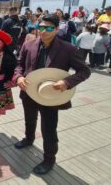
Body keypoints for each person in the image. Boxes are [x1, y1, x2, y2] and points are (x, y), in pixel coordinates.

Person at [13, 14, 90, 175]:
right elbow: (19, 64)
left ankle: (49, 159)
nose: (44, 31)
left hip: (51, 95)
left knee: (48, 128)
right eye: (41, 27)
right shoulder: (29, 45)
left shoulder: (67, 49)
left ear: (56, 29)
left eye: (49, 28)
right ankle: (29, 139)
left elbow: (84, 71)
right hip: (30, 92)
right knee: (29, 118)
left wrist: (67, 82)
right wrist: (19, 76)